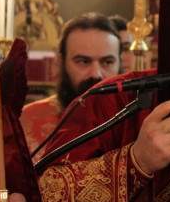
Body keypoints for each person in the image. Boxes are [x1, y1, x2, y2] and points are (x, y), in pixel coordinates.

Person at [20, 12, 122, 161]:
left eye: (107, 62)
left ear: (120, 62)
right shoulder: (26, 122)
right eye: (83, 61)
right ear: (61, 62)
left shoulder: (138, 126)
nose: (96, 74)